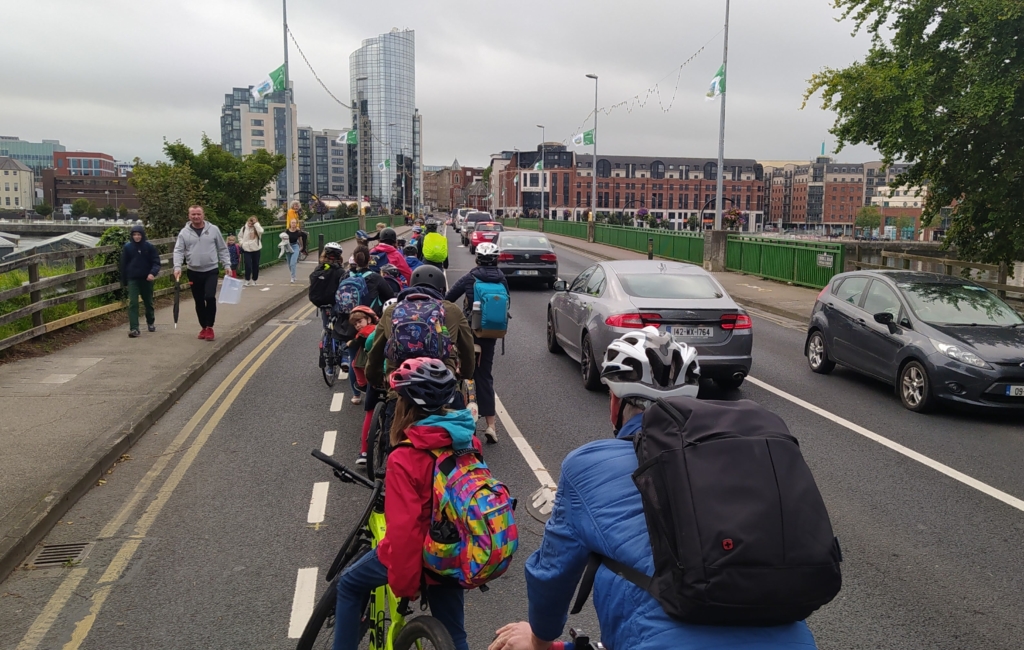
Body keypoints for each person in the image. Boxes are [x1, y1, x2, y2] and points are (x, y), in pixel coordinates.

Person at [488, 329, 818, 650]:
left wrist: (539, 639)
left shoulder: (587, 465)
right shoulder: (744, 456)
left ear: (615, 402)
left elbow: (552, 574)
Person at [334, 358, 476, 650]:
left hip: (421, 558)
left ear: (405, 405)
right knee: (455, 635)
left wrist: (405, 585)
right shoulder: (467, 441)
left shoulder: (405, 457)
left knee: (347, 585)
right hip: (453, 552)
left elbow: (405, 533)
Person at [364, 265, 476, 454]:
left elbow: (376, 352)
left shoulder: (392, 310)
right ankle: (461, 455)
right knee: (461, 425)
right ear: (441, 288)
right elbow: (468, 349)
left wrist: (375, 378)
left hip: (401, 378)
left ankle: (390, 457)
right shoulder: (452, 310)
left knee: (394, 413)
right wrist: (465, 373)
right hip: (442, 380)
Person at [445, 242, 508, 444]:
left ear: (477, 259)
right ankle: (491, 426)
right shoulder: (502, 279)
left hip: (469, 332)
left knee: (458, 370)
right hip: (489, 334)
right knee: (485, 377)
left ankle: (457, 419)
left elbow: (448, 298)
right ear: (496, 259)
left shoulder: (470, 278)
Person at [173, 205, 231, 341]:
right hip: (194, 271)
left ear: (203, 215)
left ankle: (210, 327)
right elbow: (179, 250)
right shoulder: (184, 233)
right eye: (193, 214)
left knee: (209, 297)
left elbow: (222, 248)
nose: (196, 217)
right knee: (199, 301)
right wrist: (177, 267)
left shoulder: (213, 230)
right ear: (189, 216)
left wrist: (227, 264)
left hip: (211, 270)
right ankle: (203, 327)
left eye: (198, 214)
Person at [120, 224, 160, 338]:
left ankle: (150, 321)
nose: (137, 237)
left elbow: (156, 261)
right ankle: (134, 328)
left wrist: (152, 273)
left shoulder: (149, 247)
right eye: (134, 235)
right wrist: (124, 281)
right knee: (133, 303)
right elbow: (123, 264)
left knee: (148, 302)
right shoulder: (128, 247)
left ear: (142, 235)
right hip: (133, 278)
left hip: (146, 278)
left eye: (139, 234)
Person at [349, 245, 396, 316]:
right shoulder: (375, 277)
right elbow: (390, 295)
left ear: (355, 260)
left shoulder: (347, 276)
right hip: (369, 317)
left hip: (349, 316)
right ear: (370, 259)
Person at [238, 215, 263, 286]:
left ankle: (254, 279)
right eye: (250, 221)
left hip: (256, 249)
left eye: (253, 221)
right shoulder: (244, 228)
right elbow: (240, 236)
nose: (251, 223)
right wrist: (242, 244)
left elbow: (261, 231)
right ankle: (247, 279)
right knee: (248, 265)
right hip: (247, 249)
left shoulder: (257, 228)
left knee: (256, 265)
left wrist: (256, 224)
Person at [286, 218, 303, 283]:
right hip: (288, 246)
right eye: (292, 223)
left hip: (295, 246)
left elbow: (300, 239)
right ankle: (293, 274)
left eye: (295, 223)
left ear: (296, 224)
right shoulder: (287, 231)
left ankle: (292, 277)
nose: (293, 224)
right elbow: (283, 239)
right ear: (290, 223)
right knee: (289, 263)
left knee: (293, 262)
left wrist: (301, 246)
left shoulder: (298, 231)